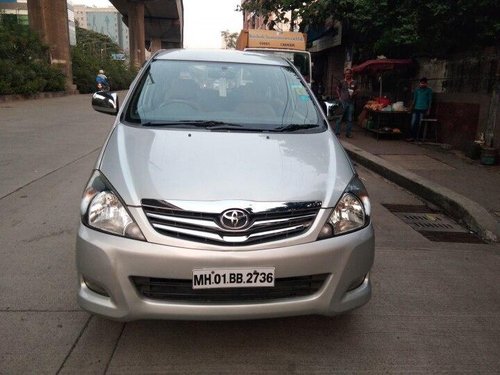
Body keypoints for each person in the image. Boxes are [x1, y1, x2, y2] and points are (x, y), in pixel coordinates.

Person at [407, 77, 433, 141]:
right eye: (421, 83)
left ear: (426, 83)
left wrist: (428, 110)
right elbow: (414, 100)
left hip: (423, 109)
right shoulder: (417, 90)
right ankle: (411, 137)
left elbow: (430, 101)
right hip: (416, 108)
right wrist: (410, 108)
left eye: (424, 83)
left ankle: (417, 137)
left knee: (419, 123)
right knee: (413, 123)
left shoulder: (429, 90)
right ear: (419, 83)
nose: (422, 84)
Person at [335, 68, 358, 138]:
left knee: (350, 118)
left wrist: (354, 93)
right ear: (344, 74)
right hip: (343, 102)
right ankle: (337, 133)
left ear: (351, 74)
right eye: (346, 73)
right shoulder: (342, 82)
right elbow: (337, 89)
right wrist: (339, 97)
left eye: (348, 73)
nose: (347, 75)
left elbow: (357, 90)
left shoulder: (354, 82)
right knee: (339, 118)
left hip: (351, 102)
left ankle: (348, 133)